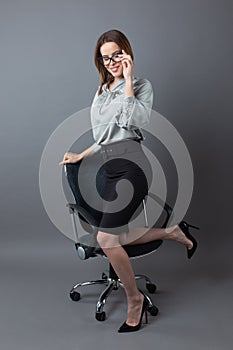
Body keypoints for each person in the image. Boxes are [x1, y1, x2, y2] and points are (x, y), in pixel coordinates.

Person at [59, 29, 199, 333]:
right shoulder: (102, 89)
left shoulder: (141, 86)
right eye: (105, 57)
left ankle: (134, 300)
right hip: (108, 168)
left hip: (132, 165)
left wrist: (129, 81)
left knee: (106, 239)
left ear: (127, 53)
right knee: (112, 237)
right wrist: (81, 154)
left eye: (116, 55)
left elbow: (135, 123)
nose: (111, 61)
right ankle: (172, 232)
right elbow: (104, 134)